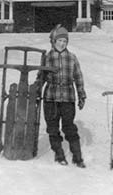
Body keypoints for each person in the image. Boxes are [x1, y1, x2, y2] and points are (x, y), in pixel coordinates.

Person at [40, 25, 87, 168]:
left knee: (69, 126)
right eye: (60, 40)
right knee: (52, 127)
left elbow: (78, 77)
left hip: (67, 98)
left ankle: (77, 156)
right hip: (51, 98)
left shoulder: (72, 57)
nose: (62, 44)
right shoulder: (47, 57)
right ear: (54, 41)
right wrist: (36, 89)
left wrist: (81, 95)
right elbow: (41, 76)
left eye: (65, 41)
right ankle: (59, 153)